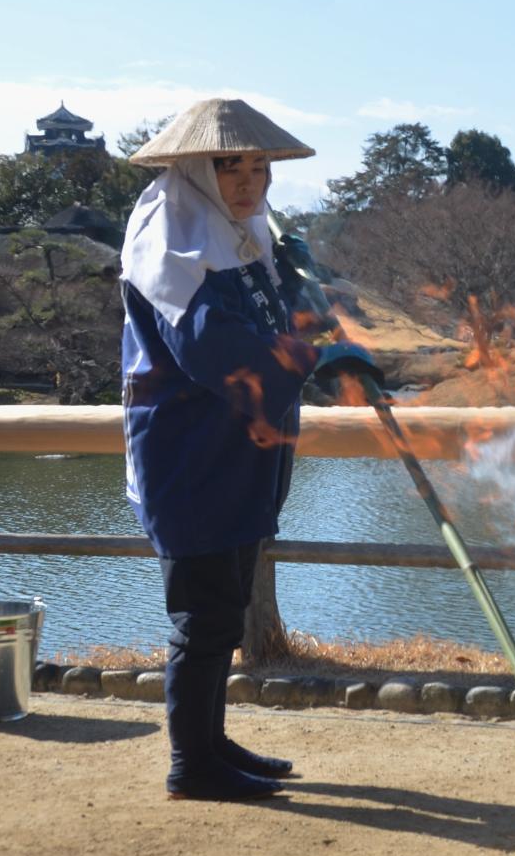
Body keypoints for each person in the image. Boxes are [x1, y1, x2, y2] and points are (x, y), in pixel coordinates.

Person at [121, 98, 380, 802]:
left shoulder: (241, 231)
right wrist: (309, 358)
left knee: (227, 607)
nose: (247, 180)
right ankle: (191, 765)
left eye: (259, 165)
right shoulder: (171, 234)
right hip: (190, 449)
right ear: (193, 168)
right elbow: (212, 345)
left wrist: (303, 291)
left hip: (241, 446)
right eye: (228, 164)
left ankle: (211, 742)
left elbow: (268, 318)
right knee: (202, 615)